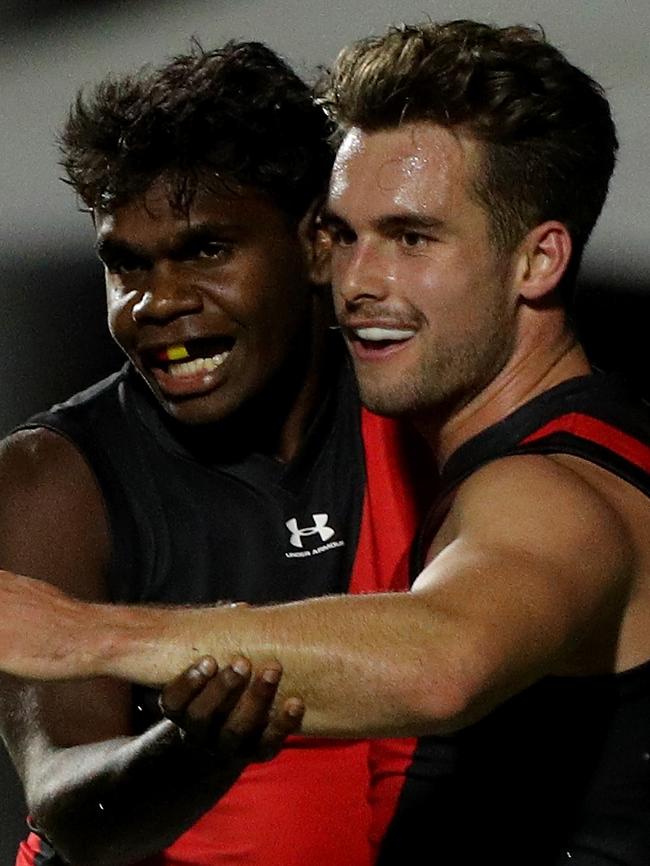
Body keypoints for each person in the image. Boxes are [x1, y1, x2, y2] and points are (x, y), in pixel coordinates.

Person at [1, 18, 649, 865]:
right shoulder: (61, 473)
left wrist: (86, 637)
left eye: (412, 238)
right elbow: (69, 809)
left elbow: (443, 657)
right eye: (348, 235)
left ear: (538, 261)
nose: (361, 280)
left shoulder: (542, 484)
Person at [0, 40, 429, 866]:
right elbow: (65, 805)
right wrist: (197, 749)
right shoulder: (47, 479)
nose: (155, 304)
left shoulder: (424, 421)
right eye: (125, 265)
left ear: (314, 246)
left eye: (205, 251)